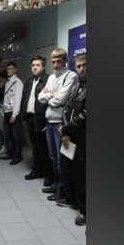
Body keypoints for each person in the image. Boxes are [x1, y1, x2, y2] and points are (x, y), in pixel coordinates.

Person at [38, 48, 77, 202]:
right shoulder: (51, 77)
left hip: (61, 124)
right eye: (53, 62)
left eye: (58, 61)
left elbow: (61, 99)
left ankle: (63, 190)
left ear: (65, 61)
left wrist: (50, 95)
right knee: (53, 157)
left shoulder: (71, 76)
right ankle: (56, 184)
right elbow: (40, 97)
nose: (55, 65)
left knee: (62, 160)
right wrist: (52, 95)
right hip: (49, 121)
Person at [60, 53, 86, 225]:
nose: (82, 69)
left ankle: (85, 211)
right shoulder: (77, 85)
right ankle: (73, 200)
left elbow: (85, 115)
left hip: (83, 136)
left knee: (82, 173)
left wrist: (66, 128)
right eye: (78, 66)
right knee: (70, 168)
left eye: (85, 65)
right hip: (71, 135)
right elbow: (67, 107)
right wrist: (66, 130)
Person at [20, 55, 53, 186]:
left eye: (38, 65)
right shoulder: (29, 81)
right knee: (34, 146)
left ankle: (48, 174)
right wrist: (23, 116)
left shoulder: (48, 80)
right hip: (29, 118)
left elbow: (50, 100)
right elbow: (24, 99)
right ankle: (37, 170)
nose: (35, 67)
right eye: (33, 65)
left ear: (43, 67)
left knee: (44, 148)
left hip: (41, 119)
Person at [1, 62, 24, 165]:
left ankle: (17, 156)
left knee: (16, 136)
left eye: (10, 69)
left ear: (15, 70)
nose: (8, 71)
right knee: (8, 135)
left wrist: (14, 115)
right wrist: (3, 112)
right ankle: (10, 153)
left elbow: (18, 99)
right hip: (7, 112)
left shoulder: (18, 82)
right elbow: (5, 98)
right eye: (7, 69)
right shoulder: (7, 82)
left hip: (13, 113)